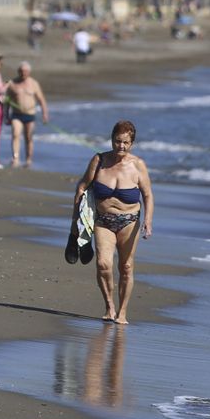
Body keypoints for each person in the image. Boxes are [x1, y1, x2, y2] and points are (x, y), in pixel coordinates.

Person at [73, 120, 154, 324]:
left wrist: (148, 221)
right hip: (103, 220)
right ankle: (109, 306)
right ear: (112, 140)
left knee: (126, 267)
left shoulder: (138, 165)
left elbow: (148, 195)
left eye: (126, 142)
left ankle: (123, 312)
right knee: (103, 264)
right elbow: (82, 186)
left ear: (132, 143)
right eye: (118, 141)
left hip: (129, 221)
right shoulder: (99, 160)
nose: (121, 146)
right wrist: (76, 220)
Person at [5, 61, 49, 167]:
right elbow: (7, 101)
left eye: (25, 71)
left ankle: (28, 159)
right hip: (16, 114)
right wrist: (6, 115)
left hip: (30, 115)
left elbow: (41, 99)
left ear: (29, 72)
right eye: (21, 71)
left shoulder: (34, 83)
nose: (23, 73)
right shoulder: (12, 83)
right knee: (15, 134)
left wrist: (45, 114)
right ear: (18, 71)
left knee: (28, 137)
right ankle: (15, 158)